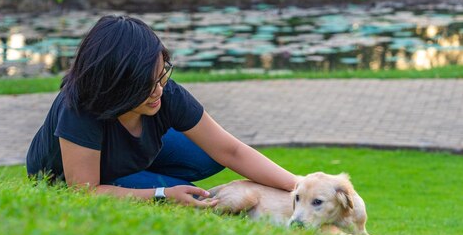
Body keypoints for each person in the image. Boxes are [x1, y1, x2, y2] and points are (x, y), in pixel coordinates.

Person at [26, 15, 297, 207]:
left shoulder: (164, 92)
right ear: (115, 86)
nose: (158, 91)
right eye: (146, 85)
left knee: (210, 155)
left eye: (161, 76)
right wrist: (162, 194)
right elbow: (84, 193)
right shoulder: (79, 109)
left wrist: (299, 186)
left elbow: (230, 150)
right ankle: (130, 181)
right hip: (86, 177)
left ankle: (141, 176)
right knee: (184, 196)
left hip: (126, 154)